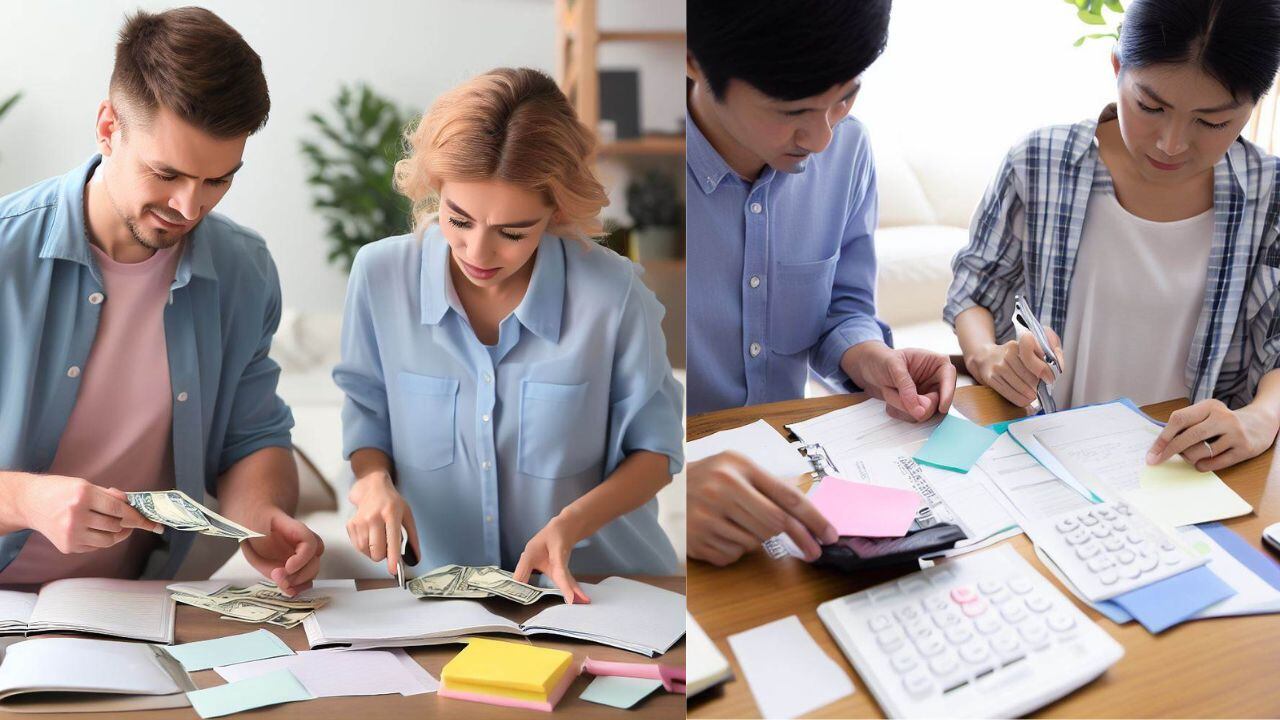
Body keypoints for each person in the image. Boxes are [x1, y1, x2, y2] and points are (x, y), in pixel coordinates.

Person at [0, 7, 323, 594]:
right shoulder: (5, 251)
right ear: (107, 127)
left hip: (131, 606)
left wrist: (261, 519)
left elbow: (251, 440)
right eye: (166, 172)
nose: (189, 207)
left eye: (219, 180)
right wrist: (25, 499)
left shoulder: (244, 271)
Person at [334, 68, 684, 602]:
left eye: (512, 233)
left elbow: (656, 453)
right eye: (459, 220)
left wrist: (571, 523)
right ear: (434, 190)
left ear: (556, 212)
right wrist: (373, 483)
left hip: (602, 593)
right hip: (441, 602)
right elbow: (367, 418)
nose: (478, 252)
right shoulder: (380, 276)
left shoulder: (613, 295)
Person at [948, 0, 1280, 473]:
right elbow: (975, 287)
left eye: (1211, 122)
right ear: (1117, 66)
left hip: (1187, 473)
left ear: (1252, 105)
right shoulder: (1040, 161)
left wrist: (1260, 418)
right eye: (1150, 106)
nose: (1171, 143)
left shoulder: (1269, 194)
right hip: (1041, 455)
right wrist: (985, 356)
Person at [684, 0, 956, 566]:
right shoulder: (612, 174)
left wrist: (868, 355)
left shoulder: (849, 148)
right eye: (793, 110)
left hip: (790, 494)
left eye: (846, 96)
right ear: (691, 62)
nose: (823, 137)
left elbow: (842, 304)